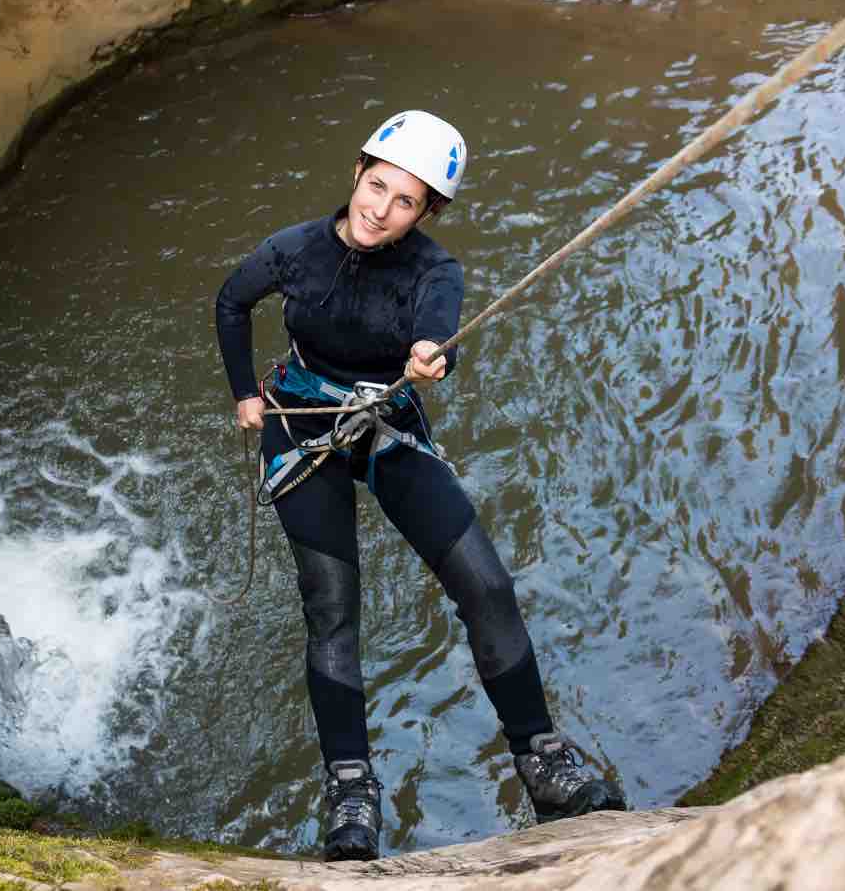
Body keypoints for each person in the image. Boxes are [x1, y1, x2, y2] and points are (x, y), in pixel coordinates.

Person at [213, 111, 626, 862]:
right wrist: (246, 392)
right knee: (333, 611)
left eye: (406, 202)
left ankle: (542, 761)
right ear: (357, 173)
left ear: (425, 212)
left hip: (386, 417)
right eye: (377, 187)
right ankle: (351, 789)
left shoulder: (434, 270)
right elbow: (231, 302)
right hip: (302, 422)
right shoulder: (294, 249)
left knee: (487, 586)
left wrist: (432, 354)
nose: (381, 209)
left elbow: (436, 327)